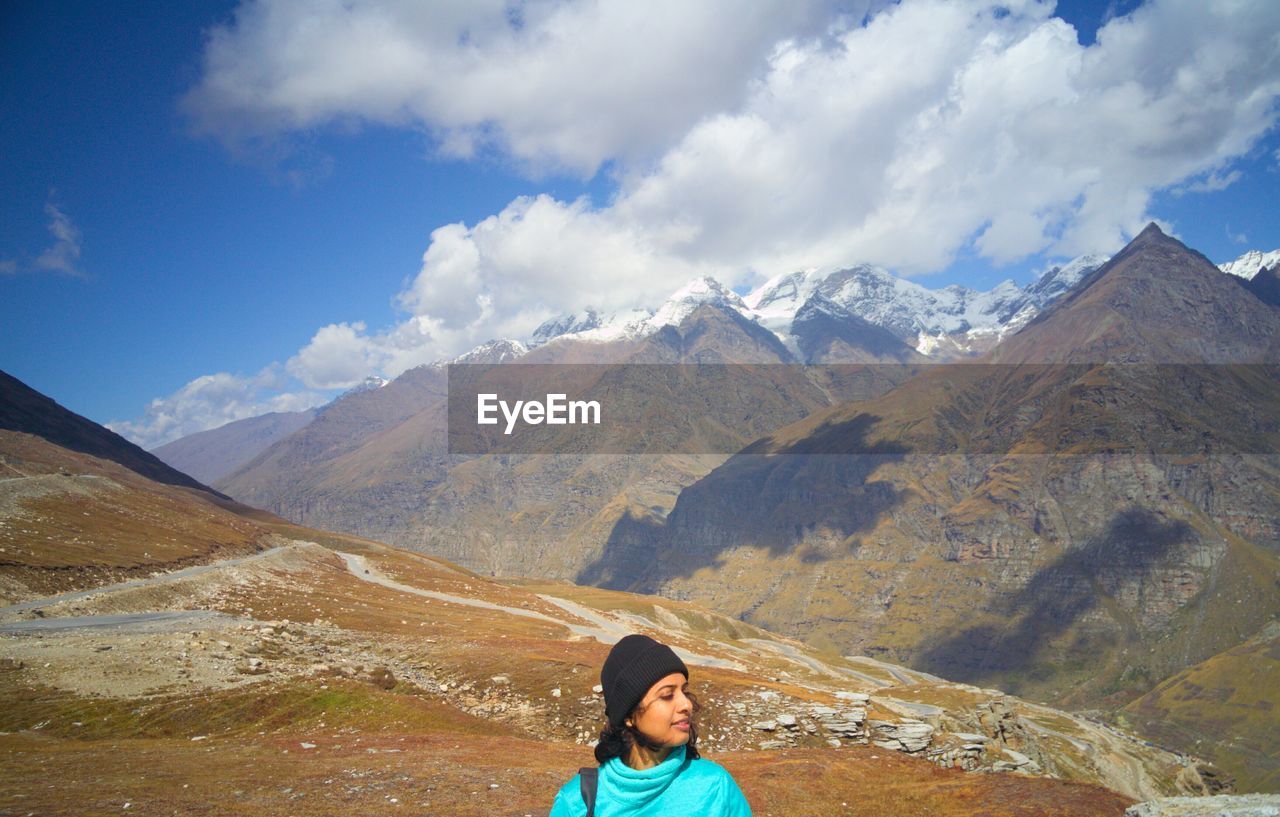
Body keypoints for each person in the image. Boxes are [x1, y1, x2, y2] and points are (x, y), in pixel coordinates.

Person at [549, 633, 753, 816]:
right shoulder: (577, 802)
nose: (686, 704)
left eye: (684, 691)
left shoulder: (715, 787)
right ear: (628, 716)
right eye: (667, 695)